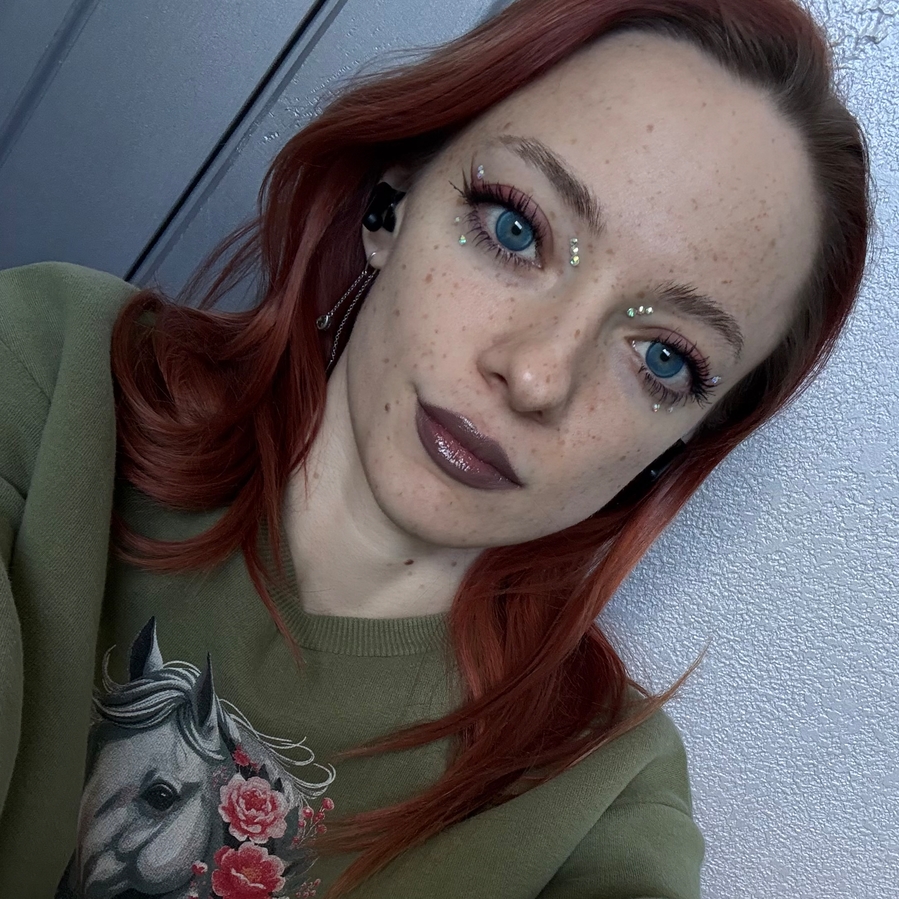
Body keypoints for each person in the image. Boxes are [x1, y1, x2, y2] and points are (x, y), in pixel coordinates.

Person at [0, 0, 869, 895]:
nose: (535, 375)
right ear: (393, 201)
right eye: (515, 227)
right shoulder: (57, 369)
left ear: (687, 433)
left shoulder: (599, 799)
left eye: (663, 358)